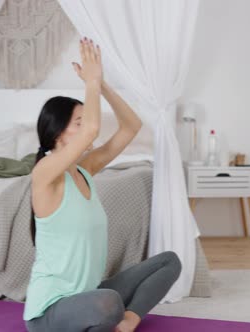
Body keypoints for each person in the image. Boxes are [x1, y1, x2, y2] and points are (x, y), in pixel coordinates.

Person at [23, 36, 182, 332]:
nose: (88, 127)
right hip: (50, 312)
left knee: (168, 262)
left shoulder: (84, 169)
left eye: (86, 119)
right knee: (108, 301)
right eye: (78, 122)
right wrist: (91, 83)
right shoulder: (45, 173)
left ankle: (125, 325)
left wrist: (103, 85)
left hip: (88, 297)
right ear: (58, 132)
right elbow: (94, 128)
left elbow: (131, 126)